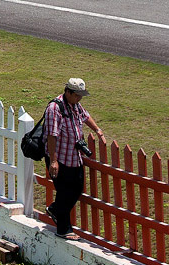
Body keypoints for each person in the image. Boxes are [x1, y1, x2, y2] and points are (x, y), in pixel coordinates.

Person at [44, 77, 106, 240]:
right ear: (68, 92)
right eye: (77, 95)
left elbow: (86, 116)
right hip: (60, 158)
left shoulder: (75, 105)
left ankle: (55, 209)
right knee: (64, 192)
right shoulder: (54, 108)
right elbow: (51, 136)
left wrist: (97, 130)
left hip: (73, 157)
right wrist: (53, 161)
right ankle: (63, 230)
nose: (79, 98)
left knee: (77, 188)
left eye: (81, 96)